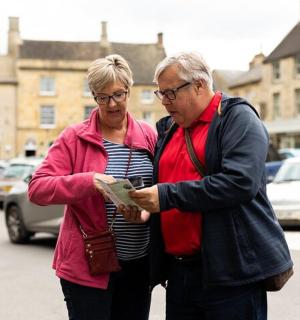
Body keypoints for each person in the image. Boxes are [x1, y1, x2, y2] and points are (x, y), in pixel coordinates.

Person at [128, 52, 293, 320]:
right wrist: (148, 209)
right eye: (161, 95)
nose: (165, 102)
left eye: (171, 93)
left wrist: (165, 196)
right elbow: (164, 189)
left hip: (230, 275)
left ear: (199, 85)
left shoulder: (237, 118)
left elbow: (239, 183)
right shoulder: (170, 128)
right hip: (180, 273)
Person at [28, 54, 157, 320]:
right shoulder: (74, 137)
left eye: (119, 95)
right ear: (94, 97)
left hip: (138, 265)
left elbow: (162, 189)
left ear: (129, 91)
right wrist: (89, 181)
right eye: (102, 97)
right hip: (88, 267)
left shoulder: (148, 135)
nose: (111, 104)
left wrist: (146, 213)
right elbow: (38, 188)